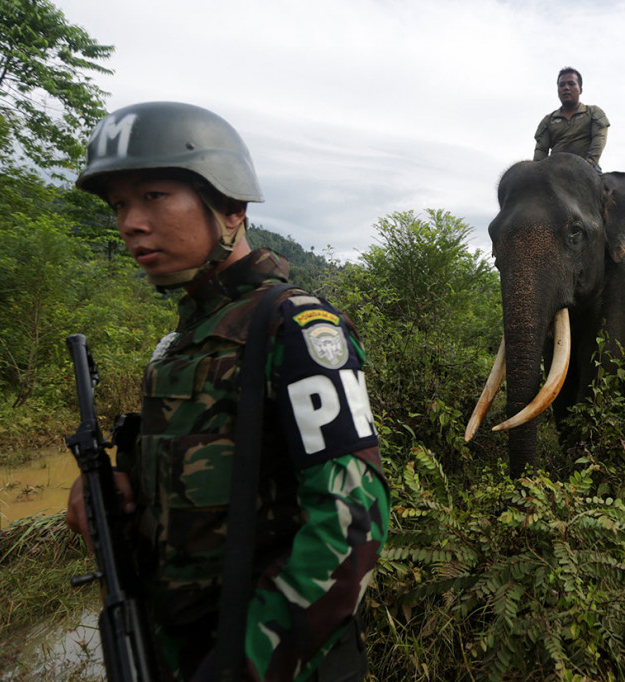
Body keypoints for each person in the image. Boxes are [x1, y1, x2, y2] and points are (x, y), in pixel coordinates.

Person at [65, 101, 390, 681]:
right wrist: (121, 487)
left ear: (232, 207)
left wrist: (247, 662)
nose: (130, 223)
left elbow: (352, 522)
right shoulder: (178, 344)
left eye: (154, 196)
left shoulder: (293, 326)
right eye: (119, 205)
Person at [533, 67, 610, 170]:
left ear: (580, 90)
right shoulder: (548, 120)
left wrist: (590, 162)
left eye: (571, 84)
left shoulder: (593, 112)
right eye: (562, 85)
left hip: (588, 169)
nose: (566, 88)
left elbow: (599, 137)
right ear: (558, 91)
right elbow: (541, 150)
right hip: (554, 171)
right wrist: (538, 171)